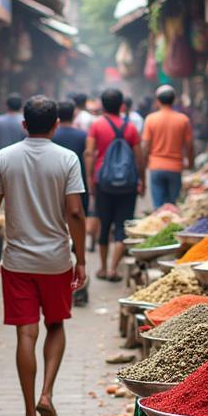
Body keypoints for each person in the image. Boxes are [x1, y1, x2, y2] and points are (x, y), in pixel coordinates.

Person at [0, 96, 86, 416]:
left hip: (17, 260)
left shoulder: (6, 157)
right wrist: (80, 258)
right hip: (56, 260)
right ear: (56, 125)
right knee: (55, 325)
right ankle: (47, 394)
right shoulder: (67, 158)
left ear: (24, 125)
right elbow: (75, 213)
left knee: (26, 333)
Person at [85, 87, 143, 282]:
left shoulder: (96, 126)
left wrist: (90, 178)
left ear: (102, 104)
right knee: (122, 225)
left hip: (104, 182)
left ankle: (102, 267)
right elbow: (139, 158)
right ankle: (113, 268)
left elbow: (89, 153)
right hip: (127, 183)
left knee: (104, 222)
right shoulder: (131, 128)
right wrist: (141, 179)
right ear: (122, 105)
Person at [52, 100, 89, 307]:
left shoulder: (51, 136)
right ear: (73, 115)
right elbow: (76, 212)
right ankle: (77, 284)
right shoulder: (82, 136)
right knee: (73, 229)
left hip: (51, 191)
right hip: (76, 188)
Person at [143, 84, 195, 208]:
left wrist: (145, 164)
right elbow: (190, 146)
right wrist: (191, 163)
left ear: (157, 101)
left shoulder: (151, 119)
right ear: (174, 100)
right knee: (173, 206)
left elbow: (146, 146)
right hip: (175, 167)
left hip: (156, 166)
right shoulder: (183, 120)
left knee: (159, 207)